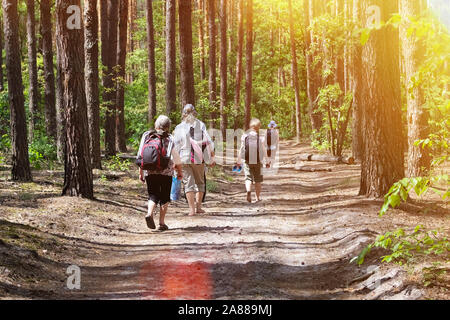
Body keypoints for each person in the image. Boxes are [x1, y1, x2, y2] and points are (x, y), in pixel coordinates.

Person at [137, 115, 183, 231]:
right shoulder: (170, 138)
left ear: (156, 125)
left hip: (150, 170)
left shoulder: (147, 136)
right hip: (166, 171)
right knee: (164, 197)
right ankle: (161, 223)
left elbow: (140, 155)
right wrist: (179, 171)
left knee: (153, 194)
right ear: (168, 127)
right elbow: (176, 157)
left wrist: (141, 172)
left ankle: (149, 213)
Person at [173, 104, 215, 216]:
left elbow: (175, 146)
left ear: (183, 114)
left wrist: (175, 161)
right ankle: (199, 207)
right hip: (198, 157)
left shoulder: (178, 127)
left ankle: (191, 209)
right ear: (194, 113)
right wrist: (211, 157)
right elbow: (209, 142)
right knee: (200, 182)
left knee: (188, 183)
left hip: (184, 158)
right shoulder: (200, 125)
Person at [236, 118, 270, 203]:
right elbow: (264, 150)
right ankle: (257, 198)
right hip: (258, 161)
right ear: (258, 127)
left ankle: (248, 191)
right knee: (258, 180)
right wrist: (267, 161)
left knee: (248, 178)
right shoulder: (261, 138)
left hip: (247, 160)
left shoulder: (244, 136)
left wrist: (238, 160)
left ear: (250, 127)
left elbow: (241, 149)